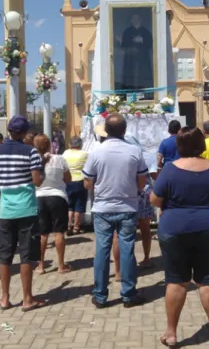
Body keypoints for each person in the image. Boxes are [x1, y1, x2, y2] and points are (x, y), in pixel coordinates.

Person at [151, 127, 209, 349]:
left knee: (176, 281)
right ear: (201, 144)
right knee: (208, 280)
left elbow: (155, 199)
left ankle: (171, 333)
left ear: (179, 146)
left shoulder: (169, 169)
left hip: (174, 228)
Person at [83, 113, 148, 308]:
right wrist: (130, 189)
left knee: (102, 250)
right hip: (128, 206)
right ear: (124, 130)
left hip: (103, 207)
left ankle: (100, 295)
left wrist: (99, 186)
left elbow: (87, 182)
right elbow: (142, 181)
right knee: (127, 248)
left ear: (106, 131)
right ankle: (128, 294)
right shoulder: (134, 151)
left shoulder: (96, 152)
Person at [0, 116, 45, 312]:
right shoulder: (31, 152)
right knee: (27, 255)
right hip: (27, 209)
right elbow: (37, 181)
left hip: (6, 211)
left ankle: (5, 298)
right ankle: (27, 298)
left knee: (5, 255)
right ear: (24, 133)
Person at [113, 139, 157, 278]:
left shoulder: (121, 155)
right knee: (145, 228)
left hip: (126, 193)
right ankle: (146, 258)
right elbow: (154, 174)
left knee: (119, 232)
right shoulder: (148, 156)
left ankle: (119, 270)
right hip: (144, 192)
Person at [33, 134, 72, 275]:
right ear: (50, 144)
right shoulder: (60, 159)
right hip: (58, 197)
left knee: (42, 234)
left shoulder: (33, 161)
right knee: (59, 232)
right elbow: (68, 178)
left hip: (39, 197)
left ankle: (41, 265)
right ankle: (61, 265)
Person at [63, 136, 88, 235]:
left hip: (68, 181)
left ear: (70, 145)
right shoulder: (85, 154)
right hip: (80, 181)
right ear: (80, 145)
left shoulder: (65, 153)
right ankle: (76, 227)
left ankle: (68, 226)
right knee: (79, 205)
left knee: (69, 205)